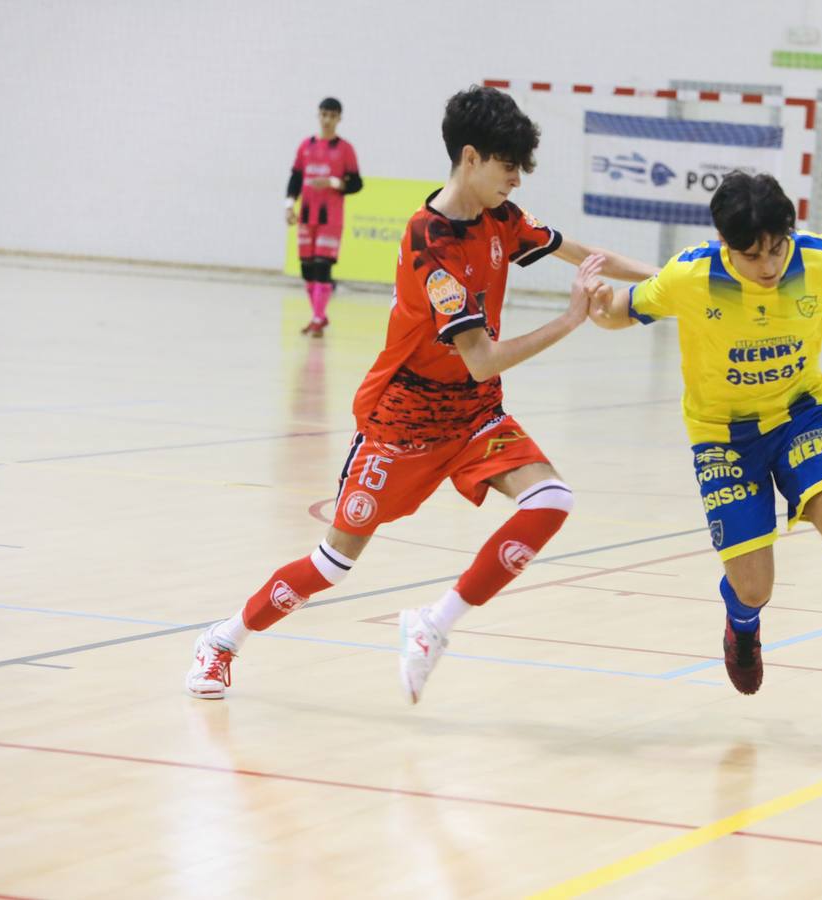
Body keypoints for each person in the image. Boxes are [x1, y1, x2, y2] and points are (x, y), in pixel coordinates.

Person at [189, 86, 655, 703]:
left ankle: (434, 626)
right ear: (470, 157)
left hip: (474, 415)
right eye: (507, 165)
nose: (516, 180)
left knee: (551, 499)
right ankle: (223, 641)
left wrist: (677, 278)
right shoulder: (428, 243)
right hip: (401, 423)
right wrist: (571, 320)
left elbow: (587, 253)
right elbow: (482, 357)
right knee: (332, 565)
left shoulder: (502, 220)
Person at [585, 172, 822, 745]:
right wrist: (599, 305)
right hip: (723, 436)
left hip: (802, 416)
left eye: (776, 248)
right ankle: (742, 624)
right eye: (752, 256)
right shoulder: (691, 276)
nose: (768, 265)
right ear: (726, 246)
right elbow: (622, 310)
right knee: (752, 588)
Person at [286, 97, 363, 337]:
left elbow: (356, 183)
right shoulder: (305, 146)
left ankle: (318, 317)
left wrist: (332, 182)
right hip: (307, 216)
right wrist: (289, 205)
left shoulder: (345, 149)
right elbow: (296, 177)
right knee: (307, 268)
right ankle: (319, 314)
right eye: (324, 115)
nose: (327, 120)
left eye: (332, 115)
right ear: (318, 116)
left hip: (330, 217)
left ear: (339, 118)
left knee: (322, 265)